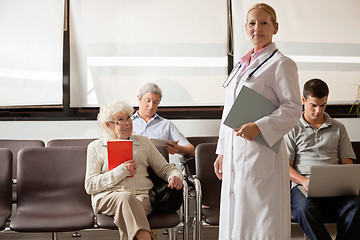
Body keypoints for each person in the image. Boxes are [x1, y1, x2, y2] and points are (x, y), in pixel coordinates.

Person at [213, 3, 302, 239]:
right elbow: (228, 111)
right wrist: (222, 151)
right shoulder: (240, 65)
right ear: (245, 28)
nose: (257, 28)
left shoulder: (282, 64)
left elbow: (293, 108)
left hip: (262, 153)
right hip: (235, 152)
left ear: (275, 27)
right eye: (252, 23)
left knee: (261, 220)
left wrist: (259, 127)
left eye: (264, 23)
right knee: (236, 217)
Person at [85, 101, 183, 240]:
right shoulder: (95, 147)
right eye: (121, 120)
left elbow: (166, 168)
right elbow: (90, 185)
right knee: (126, 198)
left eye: (129, 118)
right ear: (108, 124)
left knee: (129, 209)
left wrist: (175, 175)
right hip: (108, 197)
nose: (127, 123)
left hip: (142, 196)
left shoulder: (144, 142)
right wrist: (121, 171)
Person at [285, 78, 360, 240]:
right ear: (303, 100)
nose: (318, 111)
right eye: (313, 105)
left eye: (322, 105)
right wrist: (304, 181)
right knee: (303, 210)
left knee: (355, 207)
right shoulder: (292, 128)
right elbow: (286, 167)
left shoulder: (339, 128)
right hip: (303, 187)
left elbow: (347, 163)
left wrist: (347, 182)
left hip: (336, 188)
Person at [132, 82, 195, 157]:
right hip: (134, 166)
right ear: (139, 98)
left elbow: (191, 149)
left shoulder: (166, 124)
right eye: (148, 101)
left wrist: (178, 149)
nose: (151, 106)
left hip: (160, 167)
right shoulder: (127, 123)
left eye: (155, 102)